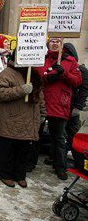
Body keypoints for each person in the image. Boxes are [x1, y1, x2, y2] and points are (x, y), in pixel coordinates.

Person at [0, 53, 46, 188]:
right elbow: (0, 93)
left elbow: (39, 95)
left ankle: (20, 175)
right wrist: (21, 90)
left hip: (29, 120)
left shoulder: (33, 74)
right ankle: (6, 174)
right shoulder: (7, 73)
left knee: (23, 151)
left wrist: (43, 112)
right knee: (8, 151)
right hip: (11, 120)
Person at [37, 37, 82, 180]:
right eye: (52, 41)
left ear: (62, 44)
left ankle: (60, 167)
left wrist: (64, 73)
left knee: (59, 137)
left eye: (57, 41)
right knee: (35, 135)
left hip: (60, 103)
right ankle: (30, 162)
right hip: (42, 102)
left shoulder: (70, 61)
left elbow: (78, 81)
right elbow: (38, 73)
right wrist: (47, 77)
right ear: (48, 44)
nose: (55, 43)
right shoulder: (43, 58)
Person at [62, 43, 88, 160]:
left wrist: (77, 107)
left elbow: (84, 90)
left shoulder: (81, 70)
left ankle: (78, 156)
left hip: (73, 107)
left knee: (72, 133)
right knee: (61, 133)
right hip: (63, 105)